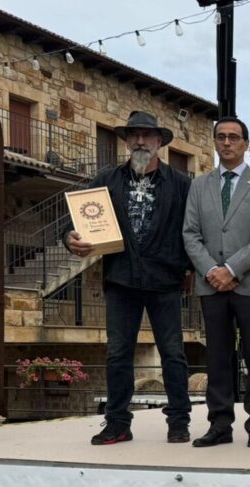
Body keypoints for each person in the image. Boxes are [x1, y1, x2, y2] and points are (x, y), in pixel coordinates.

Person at [65, 110, 192, 446]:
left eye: (147, 136)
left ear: (159, 143)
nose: (140, 141)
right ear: (125, 140)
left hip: (165, 280)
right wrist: (71, 239)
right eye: (133, 135)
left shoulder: (181, 184)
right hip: (121, 279)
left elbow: (193, 231)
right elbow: (76, 222)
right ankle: (118, 423)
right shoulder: (106, 181)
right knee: (118, 354)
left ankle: (179, 421)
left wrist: (191, 268)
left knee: (173, 354)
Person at [182, 117, 250, 449]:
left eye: (234, 137)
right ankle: (220, 424)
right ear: (214, 142)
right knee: (217, 358)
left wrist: (232, 270)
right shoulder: (199, 186)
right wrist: (212, 270)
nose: (227, 143)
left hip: (249, 285)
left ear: (246, 144)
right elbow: (190, 234)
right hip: (211, 286)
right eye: (221, 137)